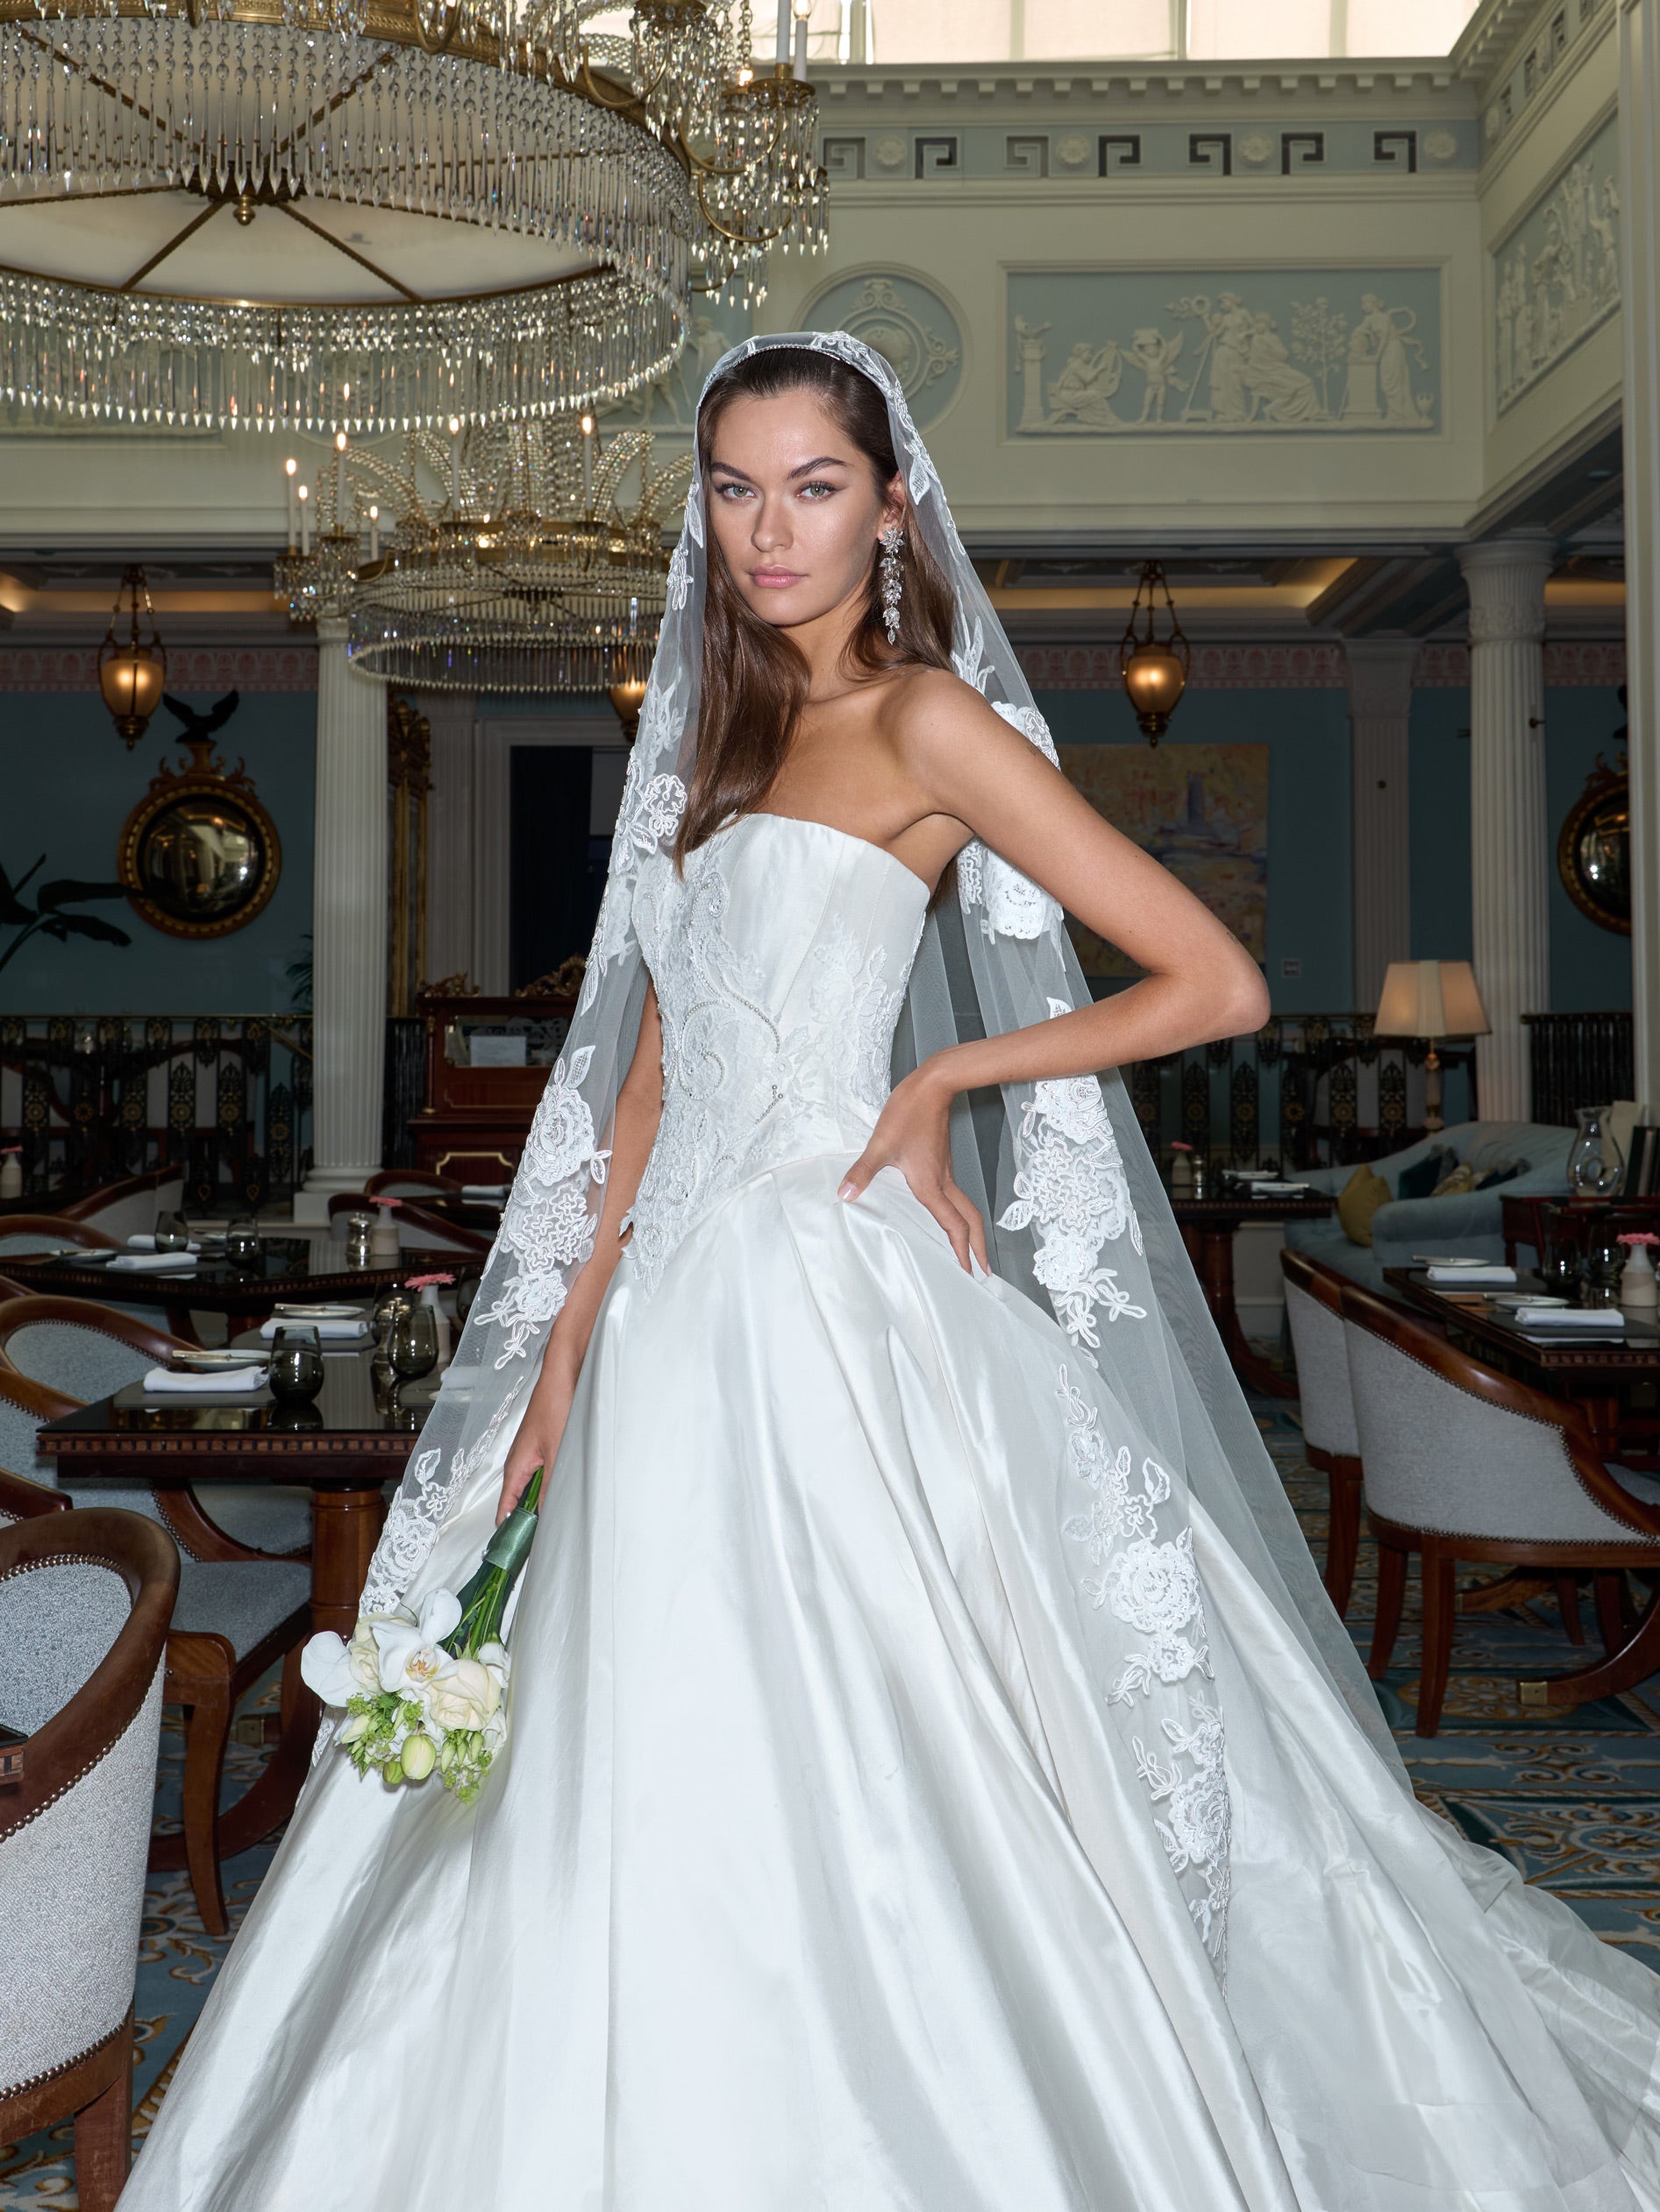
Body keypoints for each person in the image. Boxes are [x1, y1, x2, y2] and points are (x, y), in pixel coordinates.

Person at [125, 334, 1660, 2212]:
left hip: (820, 1300)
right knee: (620, 1747)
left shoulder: (928, 720)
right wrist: (557, 1361)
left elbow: (1214, 981)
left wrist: (942, 1079)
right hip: (662, 1320)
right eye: (732, 488)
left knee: (873, 1739)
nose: (767, 529)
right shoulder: (710, 739)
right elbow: (651, 1081)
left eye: (812, 486)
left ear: (890, 507)